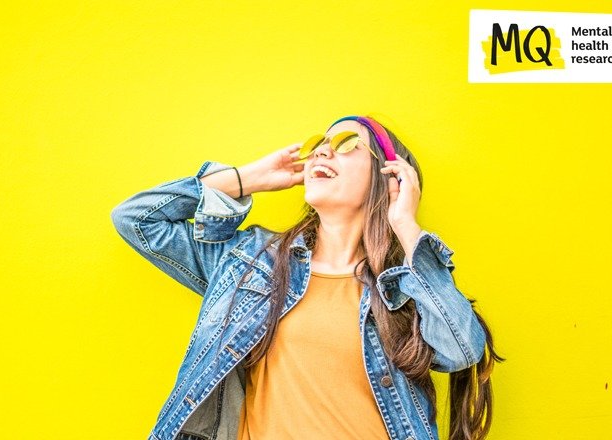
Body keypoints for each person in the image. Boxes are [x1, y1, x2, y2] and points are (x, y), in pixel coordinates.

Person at [111, 114, 504, 440]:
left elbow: (461, 350)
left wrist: (406, 225)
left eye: (348, 143)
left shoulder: (401, 285)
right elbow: (137, 219)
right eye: (320, 143)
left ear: (390, 178)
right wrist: (248, 178)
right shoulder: (252, 262)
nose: (322, 150)